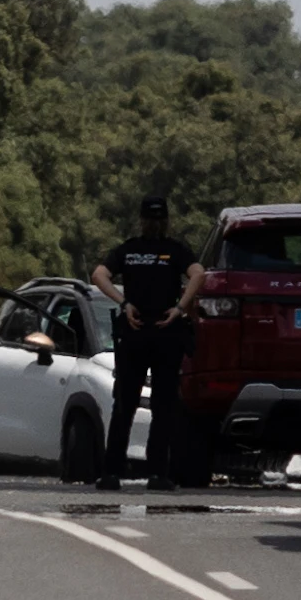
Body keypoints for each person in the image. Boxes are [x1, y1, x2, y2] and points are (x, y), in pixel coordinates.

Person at [91, 195, 205, 491]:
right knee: (153, 405)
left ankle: (119, 472)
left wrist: (126, 303)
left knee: (137, 404)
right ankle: (148, 473)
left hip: (145, 332)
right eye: (153, 219)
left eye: (156, 219)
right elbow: (198, 274)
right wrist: (178, 308)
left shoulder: (132, 250)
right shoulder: (170, 250)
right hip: (151, 331)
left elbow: (99, 274)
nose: (154, 224)